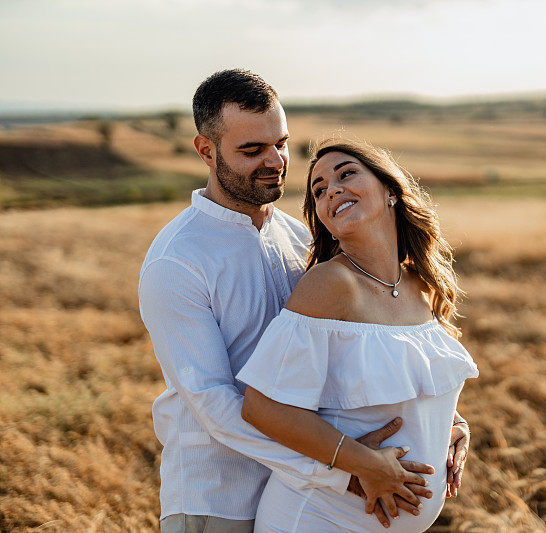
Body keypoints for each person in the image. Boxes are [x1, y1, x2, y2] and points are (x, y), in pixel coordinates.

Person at [138, 69, 472, 533]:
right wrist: (344, 468)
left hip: (317, 490)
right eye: (252, 150)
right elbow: (213, 402)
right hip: (222, 496)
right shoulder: (177, 261)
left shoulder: (301, 240)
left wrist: (441, 422)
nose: (275, 160)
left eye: (281, 143)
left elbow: (364, 346)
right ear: (206, 151)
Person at [235, 138, 479, 532]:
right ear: (324, 218)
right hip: (319, 517)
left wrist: (452, 422)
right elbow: (262, 408)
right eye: (319, 190)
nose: (332, 189)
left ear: (389, 192)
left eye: (346, 173)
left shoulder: (421, 284)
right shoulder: (331, 285)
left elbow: (408, 383)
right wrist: (362, 463)